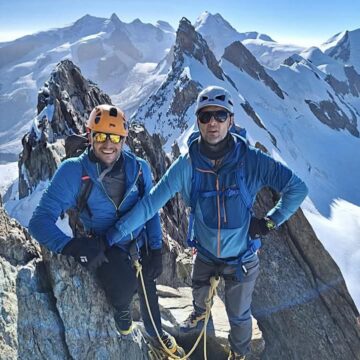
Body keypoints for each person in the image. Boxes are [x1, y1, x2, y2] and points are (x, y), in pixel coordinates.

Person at [106, 86, 309, 360]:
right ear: (198, 121)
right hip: (206, 252)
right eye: (205, 116)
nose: (212, 122)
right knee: (199, 295)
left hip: (242, 257)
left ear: (231, 119)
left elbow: (297, 188)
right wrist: (113, 234)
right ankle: (201, 314)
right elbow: (150, 204)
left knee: (239, 316)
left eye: (220, 115)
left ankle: (238, 355)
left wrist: (269, 223)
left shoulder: (252, 161)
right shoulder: (186, 164)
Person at [28, 104, 182, 356]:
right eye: (100, 136)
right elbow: (39, 221)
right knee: (124, 288)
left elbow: (151, 209)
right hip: (105, 246)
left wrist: (155, 248)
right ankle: (122, 309)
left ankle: (155, 332)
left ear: (124, 139)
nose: (107, 144)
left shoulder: (140, 168)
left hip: (139, 243)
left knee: (148, 286)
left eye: (114, 137)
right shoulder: (74, 172)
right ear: (89, 136)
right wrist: (73, 246)